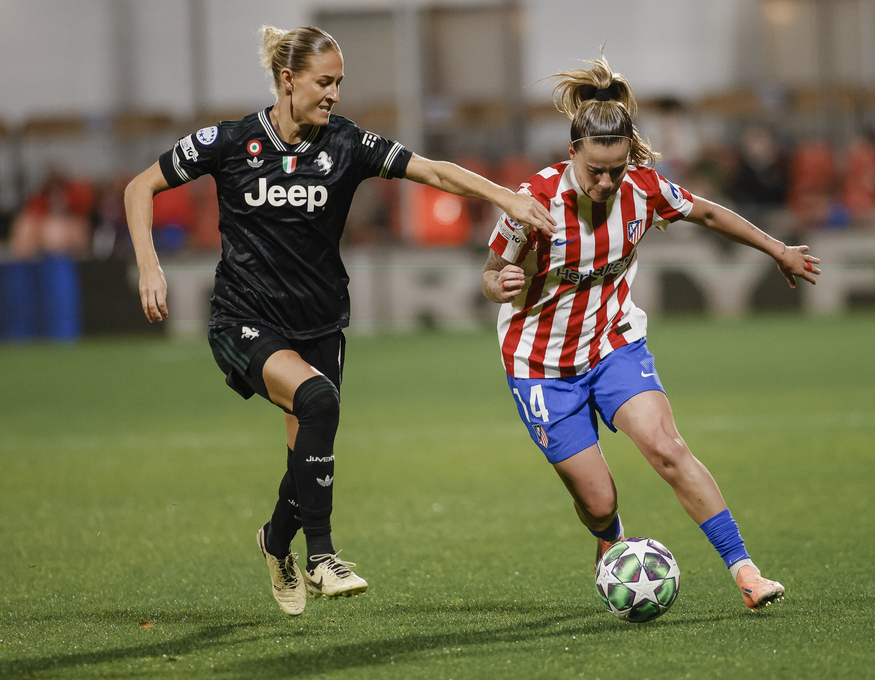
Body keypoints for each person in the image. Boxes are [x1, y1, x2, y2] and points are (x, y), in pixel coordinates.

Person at [124, 25, 555, 617]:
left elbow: (433, 171)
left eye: (339, 84)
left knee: (305, 458)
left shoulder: (347, 144)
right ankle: (323, 556)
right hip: (244, 317)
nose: (334, 95)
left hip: (320, 323)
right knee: (319, 402)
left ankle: (278, 543)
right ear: (287, 80)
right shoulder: (229, 141)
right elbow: (139, 186)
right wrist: (150, 265)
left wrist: (504, 196)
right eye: (324, 82)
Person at [481, 53, 820, 611]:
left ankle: (746, 573)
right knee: (597, 500)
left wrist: (777, 249)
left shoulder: (643, 188)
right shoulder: (533, 203)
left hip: (613, 342)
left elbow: (707, 213)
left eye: (617, 168)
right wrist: (503, 282)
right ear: (572, 155)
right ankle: (608, 540)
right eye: (596, 170)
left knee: (667, 448)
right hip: (538, 363)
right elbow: (491, 276)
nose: (607, 181)